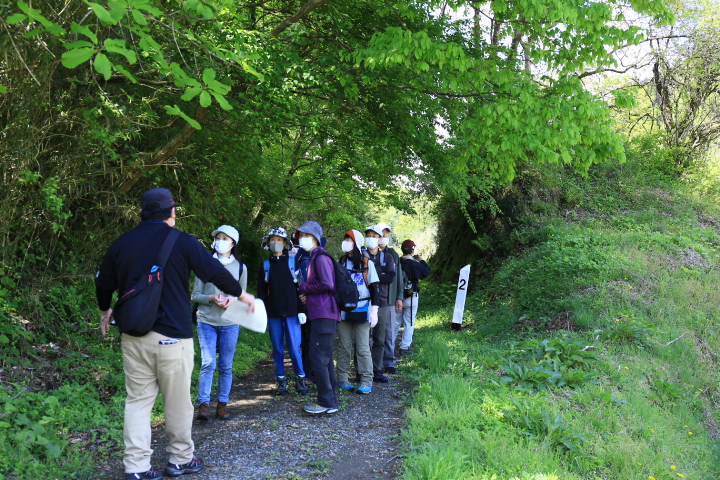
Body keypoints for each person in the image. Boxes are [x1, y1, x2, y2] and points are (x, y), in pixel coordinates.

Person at [95, 188, 256, 480]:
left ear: (142, 212)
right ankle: (180, 460)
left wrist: (105, 309)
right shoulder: (183, 241)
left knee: (138, 401)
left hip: (133, 336)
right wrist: (242, 295)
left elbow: (103, 283)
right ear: (172, 211)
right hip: (172, 337)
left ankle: (136, 467)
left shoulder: (122, 243)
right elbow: (214, 272)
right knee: (178, 401)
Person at [191, 225, 248, 422]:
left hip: (230, 322)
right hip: (206, 320)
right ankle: (203, 405)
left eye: (225, 238)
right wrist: (211, 298)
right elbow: (195, 295)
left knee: (226, 365)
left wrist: (234, 300)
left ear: (233, 243)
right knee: (208, 363)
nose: (220, 241)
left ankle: (222, 405)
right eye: (218, 237)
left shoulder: (241, 268)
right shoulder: (204, 264)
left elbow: (243, 297)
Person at [257, 227, 308, 396]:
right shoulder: (265, 265)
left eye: (279, 240)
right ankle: (281, 381)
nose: (276, 243)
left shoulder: (294, 263)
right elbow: (262, 293)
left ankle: (300, 379)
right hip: (273, 313)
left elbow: (301, 288)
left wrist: (302, 310)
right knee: (277, 348)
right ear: (268, 242)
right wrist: (261, 314)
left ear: (285, 243)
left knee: (294, 348)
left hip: (293, 312)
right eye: (273, 240)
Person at [296, 221, 339, 414]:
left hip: (324, 314)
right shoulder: (314, 256)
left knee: (317, 357)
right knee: (325, 358)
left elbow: (328, 284)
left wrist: (305, 288)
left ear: (314, 238)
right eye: (300, 235)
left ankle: (325, 401)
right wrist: (309, 294)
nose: (301, 239)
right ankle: (331, 401)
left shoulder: (320, 257)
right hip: (323, 313)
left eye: (305, 235)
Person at [336, 230, 380, 394]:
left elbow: (375, 289)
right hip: (343, 311)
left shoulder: (367, 263)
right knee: (344, 347)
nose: (346, 242)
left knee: (362, 348)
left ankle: (366, 381)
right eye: (345, 238)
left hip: (363, 310)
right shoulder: (340, 262)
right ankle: (342, 378)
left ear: (357, 242)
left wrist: (374, 310)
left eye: (349, 239)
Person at [364, 225, 396, 383]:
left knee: (379, 338)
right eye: (368, 235)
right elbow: (359, 277)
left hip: (382, 302)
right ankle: (362, 370)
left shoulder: (387, 257)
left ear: (380, 238)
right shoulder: (360, 256)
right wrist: (379, 273)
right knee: (362, 339)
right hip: (363, 302)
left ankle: (377, 369)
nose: (371, 238)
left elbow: (390, 277)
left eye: (374, 235)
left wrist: (371, 274)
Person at [376, 223, 404, 375]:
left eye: (386, 233)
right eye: (381, 233)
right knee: (372, 334)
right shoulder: (367, 253)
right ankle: (375, 363)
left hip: (390, 298)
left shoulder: (393, 254)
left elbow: (399, 277)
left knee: (389, 333)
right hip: (372, 299)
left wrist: (399, 297)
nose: (384, 236)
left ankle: (389, 361)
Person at [396, 240, 431, 354]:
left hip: (397, 298)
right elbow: (426, 272)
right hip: (411, 297)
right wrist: (421, 260)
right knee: (409, 323)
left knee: (395, 324)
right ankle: (404, 348)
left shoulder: (397, 262)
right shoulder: (415, 264)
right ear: (412, 250)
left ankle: (389, 346)